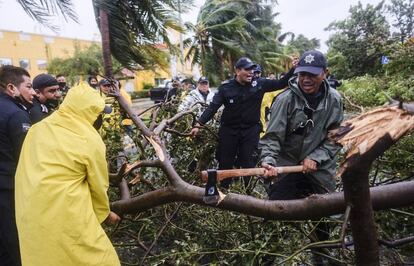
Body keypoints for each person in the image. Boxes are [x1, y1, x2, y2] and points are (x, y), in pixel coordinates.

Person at [15, 82, 121, 266]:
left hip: (29, 211)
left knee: (44, 256)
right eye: (99, 113)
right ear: (89, 112)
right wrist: (104, 214)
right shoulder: (89, 138)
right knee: (100, 258)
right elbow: (98, 186)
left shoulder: (38, 128)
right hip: (66, 210)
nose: (100, 118)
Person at [259, 50, 343, 263]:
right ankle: (267, 256)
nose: (306, 79)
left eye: (312, 74)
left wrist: (316, 157)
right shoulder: (285, 99)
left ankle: (321, 255)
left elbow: (336, 137)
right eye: (302, 73)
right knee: (276, 214)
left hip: (320, 169)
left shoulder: (334, 99)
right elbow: (272, 137)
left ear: (325, 73)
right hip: (287, 165)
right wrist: (268, 161)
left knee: (324, 219)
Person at [191, 56, 297, 187]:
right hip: (229, 131)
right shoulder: (225, 88)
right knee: (226, 163)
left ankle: (248, 192)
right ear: (237, 71)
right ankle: (224, 190)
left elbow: (281, 83)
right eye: (247, 69)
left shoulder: (260, 84)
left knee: (248, 162)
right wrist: (198, 124)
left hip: (250, 131)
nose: (251, 72)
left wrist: (293, 69)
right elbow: (213, 108)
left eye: (252, 69)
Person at [0, 65, 35, 266]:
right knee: (14, 247)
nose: (32, 92)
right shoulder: (16, 115)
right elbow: (26, 158)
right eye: (28, 87)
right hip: (9, 191)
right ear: (11, 88)